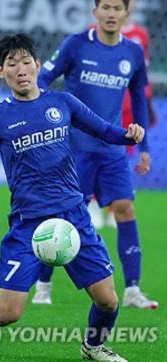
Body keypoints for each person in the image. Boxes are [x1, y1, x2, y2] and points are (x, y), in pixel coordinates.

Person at [0, 33, 143, 361]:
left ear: (36, 64)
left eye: (25, 61)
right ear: (0, 71)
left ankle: (93, 347)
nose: (20, 69)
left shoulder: (62, 102)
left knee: (108, 301)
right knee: (10, 313)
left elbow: (103, 130)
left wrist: (128, 134)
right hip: (28, 225)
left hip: (74, 218)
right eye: (12, 64)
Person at [33, 0, 158, 309]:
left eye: (118, 8)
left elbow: (139, 96)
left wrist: (143, 147)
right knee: (61, 217)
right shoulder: (76, 45)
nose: (111, 13)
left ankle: (132, 290)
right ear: (95, 12)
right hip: (75, 150)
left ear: (127, 13)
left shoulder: (132, 52)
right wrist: (48, 112)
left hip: (113, 151)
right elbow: (42, 79)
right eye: (106, 7)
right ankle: (43, 286)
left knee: (125, 209)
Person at [89, 0, 160, 230]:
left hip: (130, 104)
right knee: (93, 150)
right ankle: (90, 205)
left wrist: (146, 99)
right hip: (103, 102)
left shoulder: (140, 35)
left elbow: (142, 76)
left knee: (122, 153)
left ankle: (113, 207)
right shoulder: (92, 34)